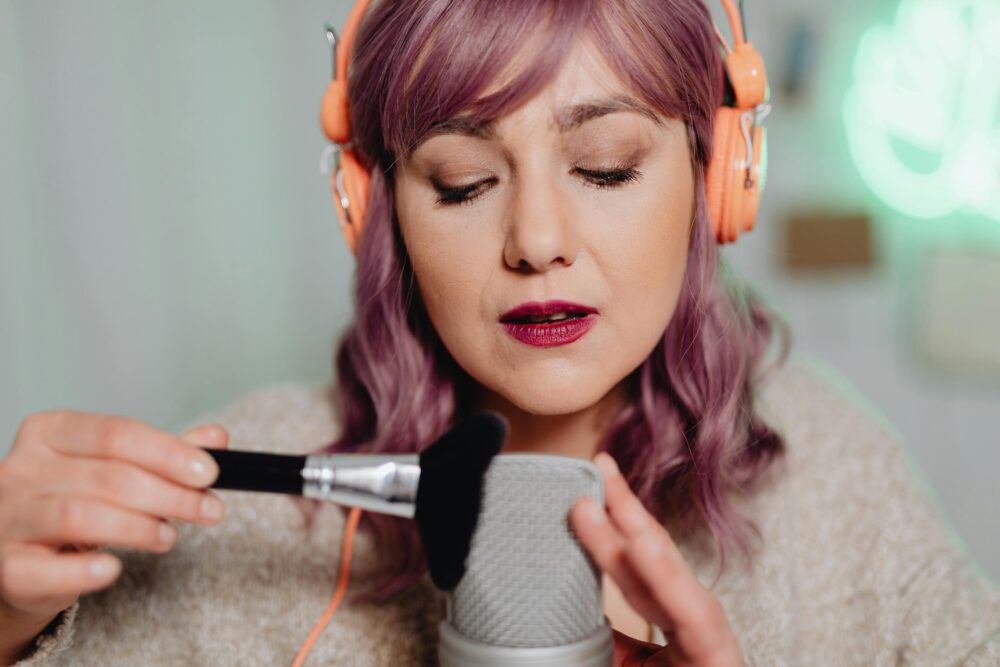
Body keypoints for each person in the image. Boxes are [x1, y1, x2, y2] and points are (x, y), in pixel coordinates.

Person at [2, 0, 999, 665]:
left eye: (604, 166)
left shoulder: (838, 475)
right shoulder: (238, 510)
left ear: (717, 179)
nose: (534, 239)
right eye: (463, 182)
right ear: (376, 207)